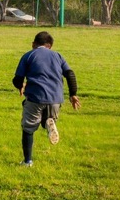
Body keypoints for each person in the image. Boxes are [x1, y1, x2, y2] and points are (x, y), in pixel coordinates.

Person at [12, 31, 81, 166]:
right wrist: (73, 94)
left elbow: (17, 79)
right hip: (56, 98)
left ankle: (28, 161)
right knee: (47, 119)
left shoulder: (29, 55)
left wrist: (21, 86)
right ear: (50, 46)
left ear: (33, 44)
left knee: (28, 128)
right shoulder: (57, 56)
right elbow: (70, 74)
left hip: (35, 97)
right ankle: (49, 122)